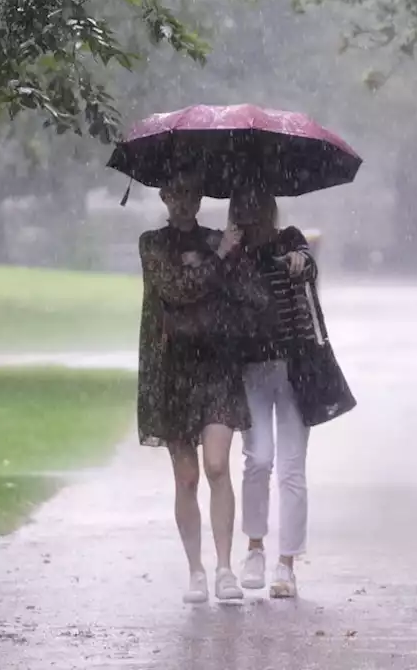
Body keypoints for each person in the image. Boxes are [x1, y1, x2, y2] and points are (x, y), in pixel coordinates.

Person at [137, 170, 259, 603]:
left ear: (201, 197)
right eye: (176, 193)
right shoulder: (152, 244)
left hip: (217, 369)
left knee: (217, 466)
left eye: (191, 193)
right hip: (173, 373)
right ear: (165, 196)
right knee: (187, 478)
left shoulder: (218, 239)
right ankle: (196, 571)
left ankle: (226, 567)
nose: (184, 201)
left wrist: (222, 256)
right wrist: (216, 262)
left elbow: (241, 292)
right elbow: (177, 290)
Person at [228, 187, 319, 599]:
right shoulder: (232, 254)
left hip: (296, 369)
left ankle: (287, 564)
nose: (255, 216)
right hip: (252, 369)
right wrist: (225, 254)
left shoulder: (290, 241)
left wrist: (302, 262)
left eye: (260, 208)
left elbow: (309, 266)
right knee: (258, 458)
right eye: (247, 209)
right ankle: (254, 548)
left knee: (292, 468)